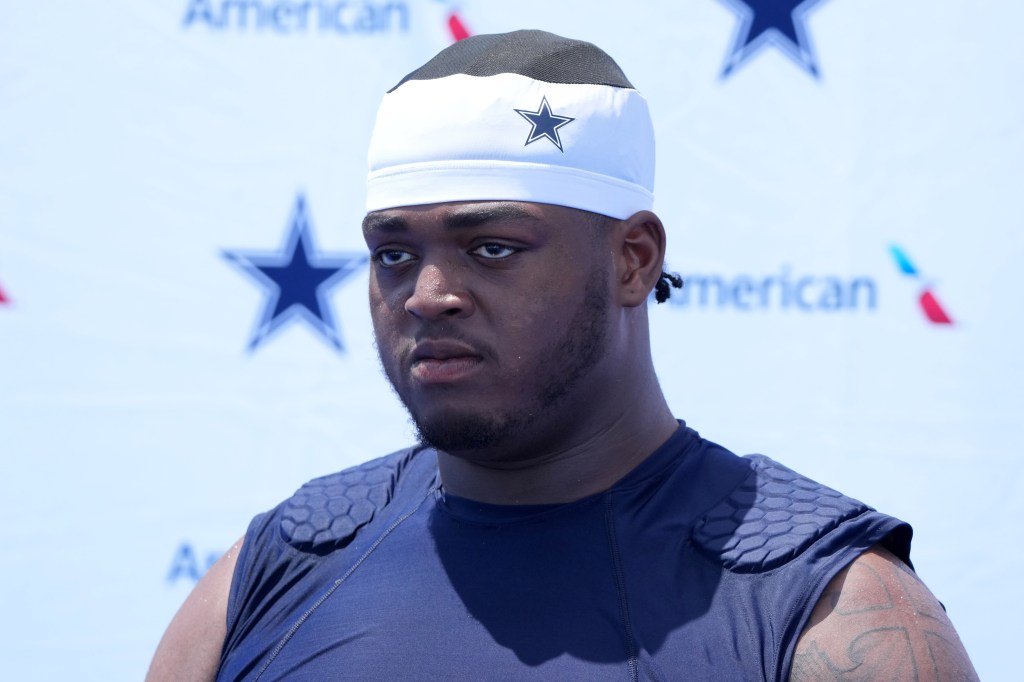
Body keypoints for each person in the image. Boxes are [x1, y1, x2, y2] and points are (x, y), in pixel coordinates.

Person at [147, 30, 977, 681]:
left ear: (633, 260)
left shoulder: (826, 608)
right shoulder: (279, 566)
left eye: (493, 247)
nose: (428, 294)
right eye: (393, 254)